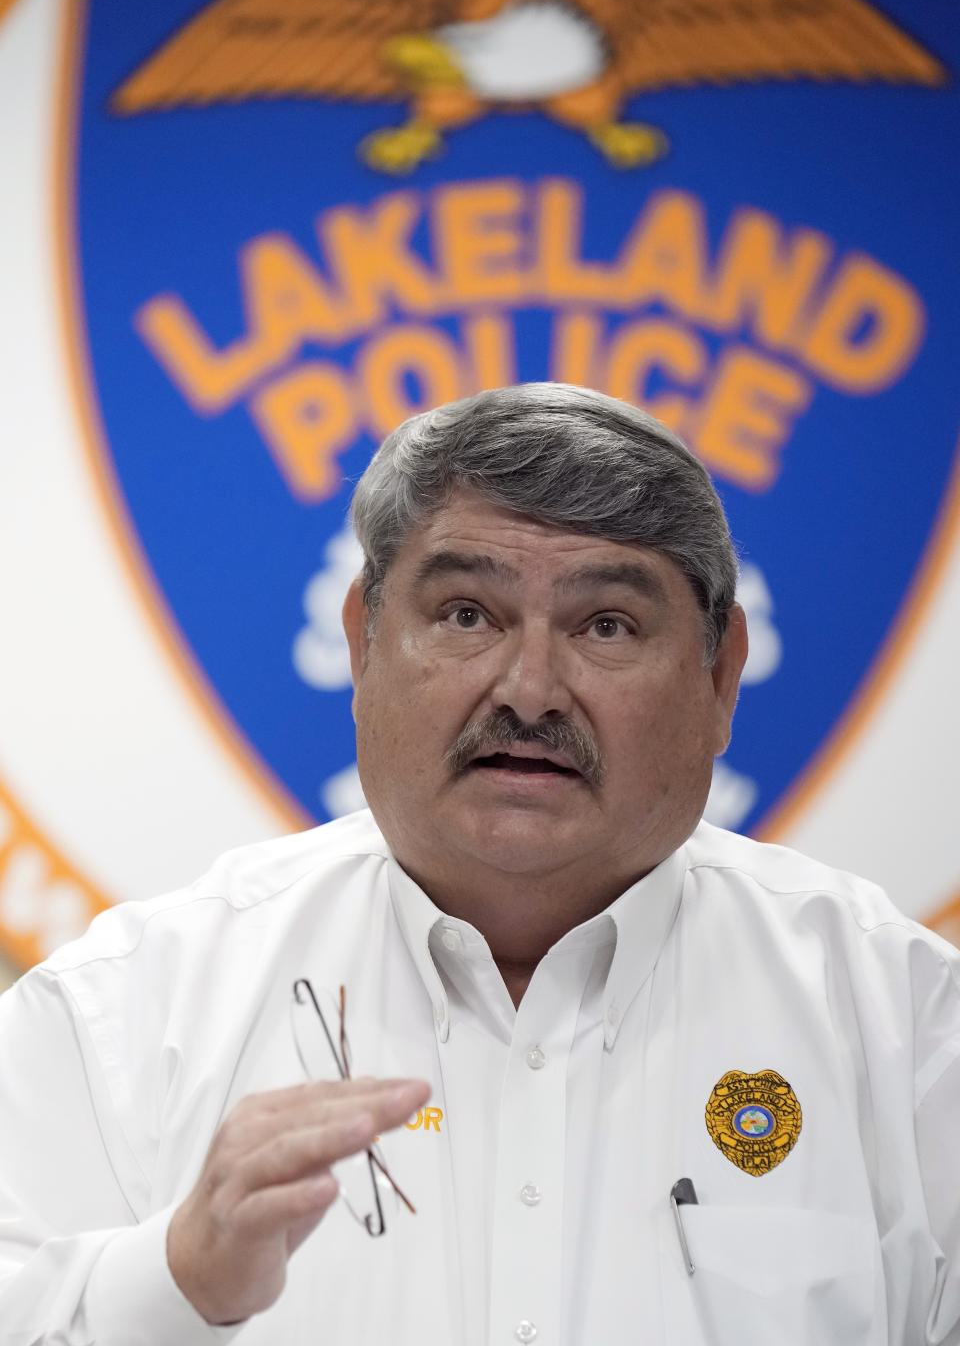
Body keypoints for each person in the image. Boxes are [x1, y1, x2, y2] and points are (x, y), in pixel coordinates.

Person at [0, 382, 958, 1346]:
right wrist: (176, 1282)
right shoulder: (119, 1019)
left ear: (719, 677)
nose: (531, 688)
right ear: (361, 642)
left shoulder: (904, 1025)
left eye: (607, 625)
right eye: (466, 614)